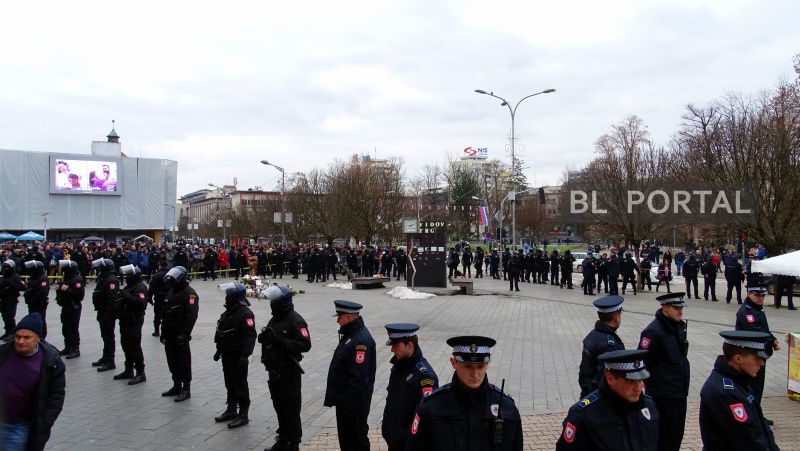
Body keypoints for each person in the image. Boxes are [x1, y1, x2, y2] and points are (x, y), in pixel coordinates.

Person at [406, 335, 522, 450]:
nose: (475, 374)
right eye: (468, 366)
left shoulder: (507, 407)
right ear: (453, 363)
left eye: (480, 366)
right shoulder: (431, 407)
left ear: (487, 364)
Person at [556, 349, 659, 450]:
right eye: (630, 382)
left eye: (640, 380)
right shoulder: (584, 415)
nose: (638, 388)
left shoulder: (650, 406)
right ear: (610, 379)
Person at [699, 331, 779, 450]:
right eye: (757, 358)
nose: (762, 363)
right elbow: (749, 441)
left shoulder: (738, 379)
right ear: (738, 359)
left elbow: (760, 428)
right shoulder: (726, 393)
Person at [0, 313, 66, 451]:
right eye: (18, 337)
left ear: (38, 338)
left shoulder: (51, 363)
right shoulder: (3, 352)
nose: (20, 341)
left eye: (26, 337)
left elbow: (56, 397)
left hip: (19, 427)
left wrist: (44, 423)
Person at [258, 285, 311, 450]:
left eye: (275, 302)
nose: (272, 305)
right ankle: (283, 439)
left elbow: (305, 344)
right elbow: (270, 337)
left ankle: (293, 443)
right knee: (280, 408)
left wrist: (282, 342)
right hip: (274, 372)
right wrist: (264, 337)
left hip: (289, 372)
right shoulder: (276, 318)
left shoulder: (295, 320)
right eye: (272, 302)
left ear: (284, 302)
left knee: (291, 410)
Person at [637, 293, 690, 451]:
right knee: (663, 438)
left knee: (676, 436)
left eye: (681, 307)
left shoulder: (678, 327)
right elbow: (643, 363)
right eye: (676, 308)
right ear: (665, 308)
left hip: (679, 392)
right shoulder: (653, 332)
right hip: (663, 395)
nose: (680, 311)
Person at [323, 300, 376, 451]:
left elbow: (359, 380)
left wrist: (349, 410)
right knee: (348, 444)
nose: (337, 320)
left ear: (348, 318)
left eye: (339, 317)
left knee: (356, 444)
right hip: (346, 404)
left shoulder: (360, 342)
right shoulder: (351, 335)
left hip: (353, 407)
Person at [381, 323, 439, 451]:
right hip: (395, 441)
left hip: (409, 444)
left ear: (410, 346)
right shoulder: (399, 367)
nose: (392, 350)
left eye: (396, 345)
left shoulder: (425, 377)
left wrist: (406, 436)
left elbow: (427, 416)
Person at [212, 283, 256, 429]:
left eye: (229, 295)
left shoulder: (245, 313)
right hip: (227, 354)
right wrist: (219, 351)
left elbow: (250, 336)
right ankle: (231, 409)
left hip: (238, 355)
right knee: (229, 382)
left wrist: (245, 355)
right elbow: (221, 333)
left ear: (236, 297)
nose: (226, 297)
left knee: (240, 384)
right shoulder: (228, 313)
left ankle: (243, 413)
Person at [734, 283, 780, 417]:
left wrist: (773, 340)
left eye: (762, 295)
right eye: (757, 295)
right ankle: (752, 416)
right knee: (752, 388)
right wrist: (771, 341)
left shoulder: (757, 309)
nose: (760, 298)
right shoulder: (747, 311)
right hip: (750, 355)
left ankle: (756, 415)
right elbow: (756, 331)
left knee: (757, 388)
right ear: (749, 294)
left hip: (758, 354)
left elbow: (765, 329)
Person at [160, 266, 199, 402]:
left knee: (183, 361)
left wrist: (184, 334)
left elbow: (191, 316)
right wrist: (163, 332)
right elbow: (165, 314)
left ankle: (186, 388)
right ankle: (176, 385)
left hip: (180, 335)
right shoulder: (172, 292)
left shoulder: (189, 294)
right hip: (170, 333)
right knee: (172, 360)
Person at [579, 296, 626, 398]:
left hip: (588, 391)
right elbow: (603, 377)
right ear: (616, 317)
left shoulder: (592, 334)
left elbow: (583, 369)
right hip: (600, 398)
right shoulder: (608, 344)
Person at [112, 264, 148, 385]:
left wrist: (125, 295)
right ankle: (128, 370)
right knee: (126, 345)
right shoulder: (130, 287)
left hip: (134, 320)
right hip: (125, 320)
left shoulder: (140, 287)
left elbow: (140, 304)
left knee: (134, 346)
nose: (126, 277)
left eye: (128, 275)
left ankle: (140, 372)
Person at [91, 258, 120, 371]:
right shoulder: (105, 278)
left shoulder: (111, 280)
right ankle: (105, 357)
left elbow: (112, 299)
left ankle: (110, 361)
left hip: (107, 313)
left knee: (108, 337)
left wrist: (108, 314)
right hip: (102, 311)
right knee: (105, 336)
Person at [55, 260, 84, 359]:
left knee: (72, 328)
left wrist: (67, 289)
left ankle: (75, 349)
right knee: (65, 328)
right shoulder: (68, 278)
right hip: (66, 306)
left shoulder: (77, 279)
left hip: (73, 306)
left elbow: (80, 295)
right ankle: (68, 347)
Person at [22, 261, 50, 340]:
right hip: (32, 303)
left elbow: (42, 292)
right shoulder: (34, 277)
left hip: (39, 303)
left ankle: (41, 337)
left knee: (40, 320)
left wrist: (33, 300)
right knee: (33, 319)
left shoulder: (43, 278)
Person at [0, 260, 26, 341]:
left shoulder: (16, 277)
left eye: (7, 268)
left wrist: (11, 284)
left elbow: (23, 287)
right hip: (3, 299)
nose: (5, 270)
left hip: (11, 300)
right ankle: (7, 332)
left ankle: (12, 333)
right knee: (5, 317)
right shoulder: (4, 277)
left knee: (10, 317)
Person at [147, 261, 169, 337]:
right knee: (168, 315)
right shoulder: (171, 275)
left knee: (157, 315)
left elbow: (151, 288)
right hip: (170, 298)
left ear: (160, 266)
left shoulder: (156, 276)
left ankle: (157, 331)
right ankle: (166, 331)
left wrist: (149, 298)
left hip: (159, 298)